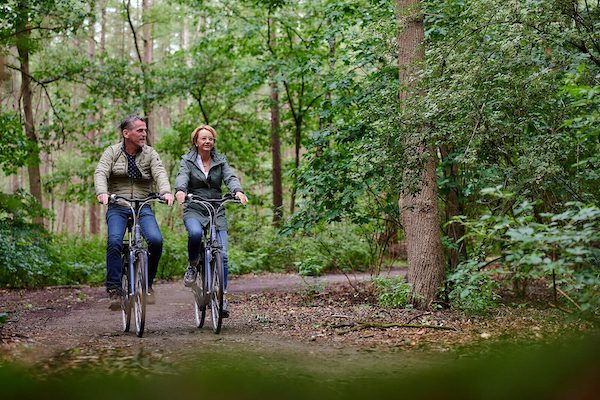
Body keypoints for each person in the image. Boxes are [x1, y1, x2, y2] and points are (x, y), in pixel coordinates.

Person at [94, 116, 174, 311]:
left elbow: (160, 173)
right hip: (118, 205)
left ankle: (147, 284)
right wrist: (102, 193)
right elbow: (101, 172)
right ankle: (114, 289)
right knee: (114, 242)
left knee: (155, 241)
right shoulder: (112, 152)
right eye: (139, 130)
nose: (144, 134)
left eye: (145, 130)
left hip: (142, 205)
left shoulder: (150, 153)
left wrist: (165, 192)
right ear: (126, 133)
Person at [175, 124, 248, 317]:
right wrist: (181, 190)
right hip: (195, 206)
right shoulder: (187, 160)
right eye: (203, 138)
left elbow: (230, 177)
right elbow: (182, 176)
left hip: (216, 208)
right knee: (196, 234)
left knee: (222, 255)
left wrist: (237, 191)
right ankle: (192, 266)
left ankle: (221, 296)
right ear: (196, 142)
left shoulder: (220, 160)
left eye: (210, 139)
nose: (207, 141)